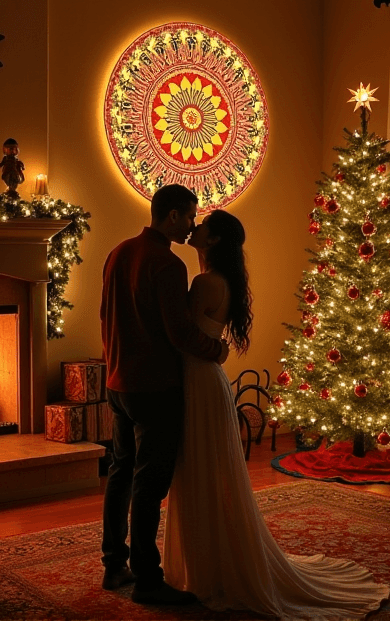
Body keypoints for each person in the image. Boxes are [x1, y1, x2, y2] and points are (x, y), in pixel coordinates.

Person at [163, 209, 390, 619]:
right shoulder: (223, 280)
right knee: (206, 470)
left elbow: (183, 334)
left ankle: (206, 566)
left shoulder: (204, 282)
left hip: (198, 379)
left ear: (213, 241)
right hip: (207, 378)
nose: (195, 228)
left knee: (199, 469)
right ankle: (208, 560)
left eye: (203, 227)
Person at [100, 184, 229, 606]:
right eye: (190, 216)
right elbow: (179, 332)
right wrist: (216, 349)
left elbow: (106, 316)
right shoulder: (167, 264)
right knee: (149, 484)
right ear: (172, 216)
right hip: (154, 387)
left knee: (120, 474)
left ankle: (113, 563)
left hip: (117, 383)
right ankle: (148, 579)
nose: (193, 225)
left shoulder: (118, 252)